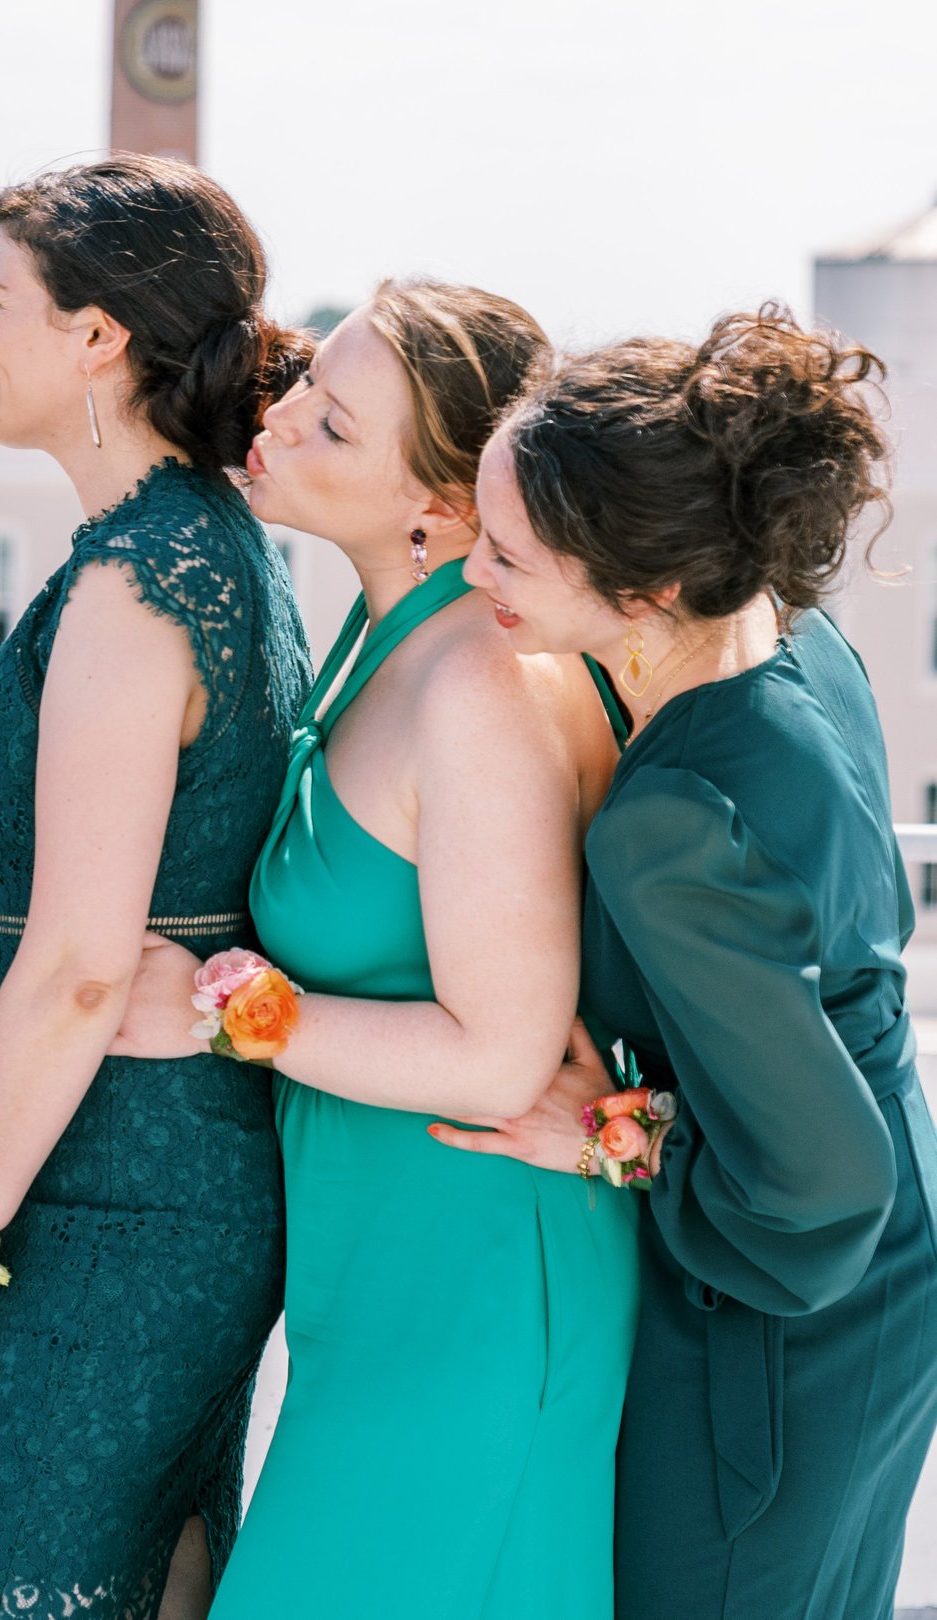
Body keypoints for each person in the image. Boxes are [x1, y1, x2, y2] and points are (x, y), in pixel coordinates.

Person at [0, 154, 311, 1618]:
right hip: (157, 1178)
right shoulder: (193, 544)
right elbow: (66, 937)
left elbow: (87, 965)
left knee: (22, 1581)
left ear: (99, 336)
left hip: (113, 1202)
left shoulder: (137, 584)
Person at [106, 280, 640, 1617]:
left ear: (444, 511)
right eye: (303, 392)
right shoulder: (378, 635)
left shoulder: (476, 687)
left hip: (480, 1295)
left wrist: (225, 1013)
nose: (279, 425)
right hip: (377, 1293)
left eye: (333, 426)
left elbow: (507, 1053)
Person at [438, 306, 937, 1620]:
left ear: (650, 587)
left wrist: (613, 1134)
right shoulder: (796, 634)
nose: (469, 570)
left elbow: (823, 1193)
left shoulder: (672, 826)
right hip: (888, 1284)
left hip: (782, 1342)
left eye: (506, 555)